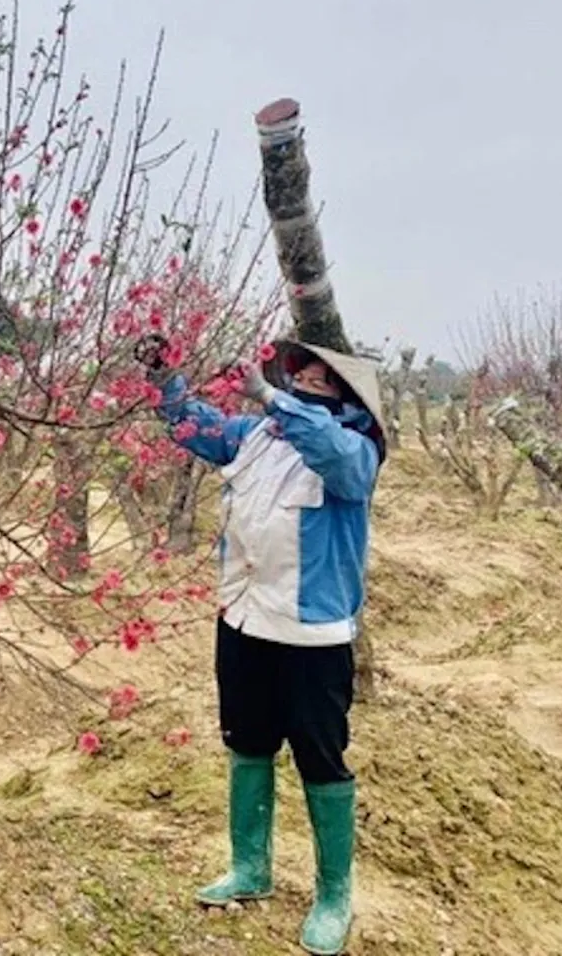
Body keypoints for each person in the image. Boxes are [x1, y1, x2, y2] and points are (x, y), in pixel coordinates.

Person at [135, 335, 385, 956]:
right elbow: (197, 428)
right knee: (247, 743)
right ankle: (251, 868)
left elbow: (331, 452)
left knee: (320, 758)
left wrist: (271, 396)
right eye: (304, 368)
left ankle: (334, 894)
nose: (313, 376)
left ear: (350, 393)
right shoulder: (256, 437)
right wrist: (167, 381)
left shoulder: (354, 449)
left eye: (329, 374)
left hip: (313, 636)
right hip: (244, 620)